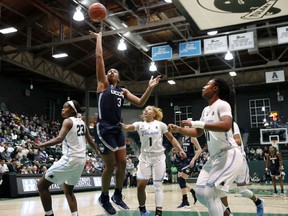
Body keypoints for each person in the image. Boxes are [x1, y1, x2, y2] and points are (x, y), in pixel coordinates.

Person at [90, 30, 161, 215]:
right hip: (103, 127)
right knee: (111, 165)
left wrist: (149, 88)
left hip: (116, 128)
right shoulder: (102, 85)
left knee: (122, 164)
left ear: (119, 78)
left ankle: (117, 195)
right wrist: (98, 38)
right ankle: (104, 197)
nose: (111, 71)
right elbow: (99, 59)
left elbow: (140, 102)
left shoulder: (122, 90)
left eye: (115, 71)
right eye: (109, 71)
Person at [169, 78, 244, 216]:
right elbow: (197, 133)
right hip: (214, 158)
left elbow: (226, 125)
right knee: (200, 193)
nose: (204, 87)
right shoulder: (206, 110)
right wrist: (179, 129)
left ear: (215, 88)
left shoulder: (223, 105)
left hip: (229, 154)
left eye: (207, 84)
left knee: (210, 192)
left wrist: (199, 123)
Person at [27, 100, 99, 216]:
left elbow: (59, 139)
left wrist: (41, 145)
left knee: (41, 185)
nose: (62, 109)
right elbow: (90, 141)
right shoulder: (82, 123)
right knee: (68, 190)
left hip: (71, 159)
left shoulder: (68, 121)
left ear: (72, 110)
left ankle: (49, 214)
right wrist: (99, 153)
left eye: (65, 107)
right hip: (81, 161)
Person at [121, 105, 186, 216]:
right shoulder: (139, 124)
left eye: (149, 109)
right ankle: (142, 210)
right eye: (145, 110)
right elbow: (127, 127)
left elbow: (171, 138)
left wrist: (180, 149)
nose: (146, 110)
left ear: (155, 113)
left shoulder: (161, 125)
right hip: (145, 158)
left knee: (157, 186)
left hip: (159, 158)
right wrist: (117, 123)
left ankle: (158, 212)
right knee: (140, 186)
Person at [220, 122, 264, 216]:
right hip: (226, 160)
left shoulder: (231, 124)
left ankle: (259, 202)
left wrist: (224, 145)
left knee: (242, 190)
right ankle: (229, 213)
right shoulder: (216, 125)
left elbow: (239, 141)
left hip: (238, 159)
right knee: (221, 190)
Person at [175, 135, 201, 208]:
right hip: (184, 161)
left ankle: (185, 201)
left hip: (190, 161)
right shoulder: (183, 138)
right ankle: (193, 193)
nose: (186, 127)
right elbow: (184, 150)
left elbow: (199, 150)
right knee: (181, 180)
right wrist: (178, 151)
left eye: (187, 126)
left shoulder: (193, 138)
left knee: (181, 179)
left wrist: (193, 160)